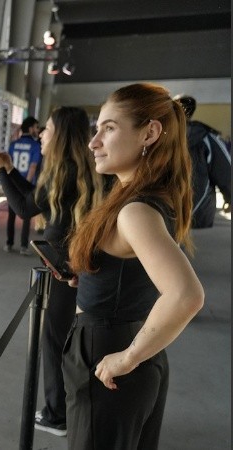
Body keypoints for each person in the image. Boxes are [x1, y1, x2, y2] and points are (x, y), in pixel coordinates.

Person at [65, 83, 204, 449]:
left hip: (111, 356)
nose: (94, 141)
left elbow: (186, 295)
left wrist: (126, 359)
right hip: (127, 344)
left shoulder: (136, 210)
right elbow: (136, 273)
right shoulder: (142, 199)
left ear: (149, 133)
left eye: (108, 128)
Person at [0, 106, 104, 437]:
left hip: (66, 270)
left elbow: (25, 207)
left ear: (62, 134)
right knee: (64, 336)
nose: (41, 133)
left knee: (54, 339)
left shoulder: (63, 170)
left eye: (48, 129)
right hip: (75, 265)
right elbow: (36, 198)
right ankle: (64, 407)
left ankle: (57, 413)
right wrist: (9, 171)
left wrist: (0, 173)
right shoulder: (72, 169)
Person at [174, 95, 231, 228]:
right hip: (199, 215)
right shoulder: (206, 137)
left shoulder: (158, 136)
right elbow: (225, 172)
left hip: (164, 217)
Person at [4, 116, 42, 255]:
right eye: (37, 127)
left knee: (11, 214)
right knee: (26, 216)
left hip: (13, 183)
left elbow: (8, 165)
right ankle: (23, 246)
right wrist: (25, 185)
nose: (38, 131)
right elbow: (32, 167)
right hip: (25, 183)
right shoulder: (35, 146)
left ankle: (9, 243)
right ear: (31, 128)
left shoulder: (13, 144)